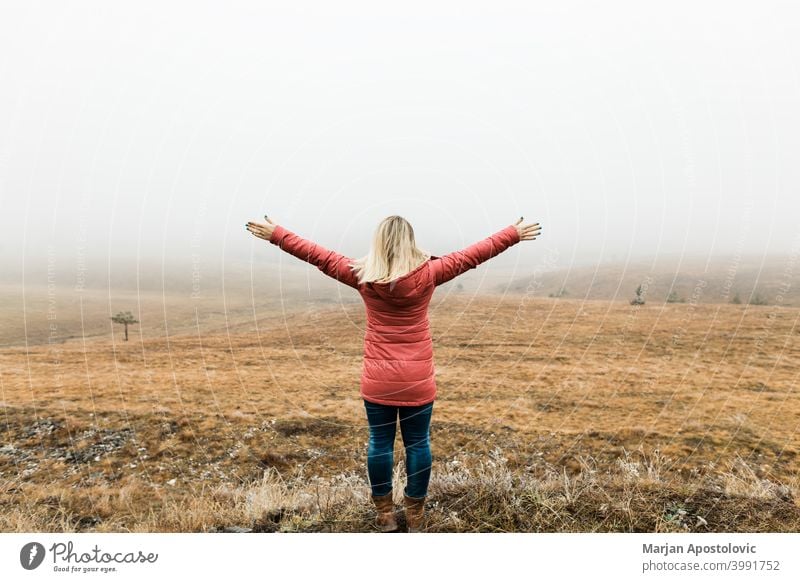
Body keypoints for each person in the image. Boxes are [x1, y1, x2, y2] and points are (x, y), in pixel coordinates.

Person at [246, 214, 542, 532]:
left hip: (379, 379)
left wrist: (277, 233)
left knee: (380, 443)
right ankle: (415, 515)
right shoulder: (430, 272)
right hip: (417, 380)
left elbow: (316, 254)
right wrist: (512, 234)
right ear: (410, 243)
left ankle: (384, 514)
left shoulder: (360, 274)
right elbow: (473, 255)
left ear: (378, 243)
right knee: (418, 444)